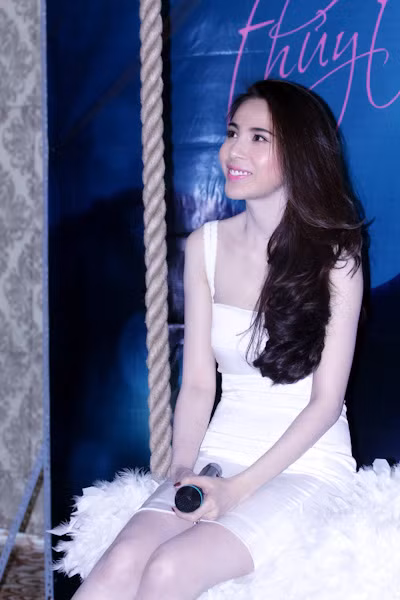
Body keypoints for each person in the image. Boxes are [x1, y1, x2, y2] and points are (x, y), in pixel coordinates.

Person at [71, 79, 365, 600]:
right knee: (121, 561)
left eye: (258, 137)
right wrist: (183, 470)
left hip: (306, 466)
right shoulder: (204, 246)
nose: (234, 150)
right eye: (232, 133)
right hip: (219, 453)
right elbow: (198, 386)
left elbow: (325, 404)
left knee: (169, 569)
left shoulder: (338, 260)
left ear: (299, 154)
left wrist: (237, 491)